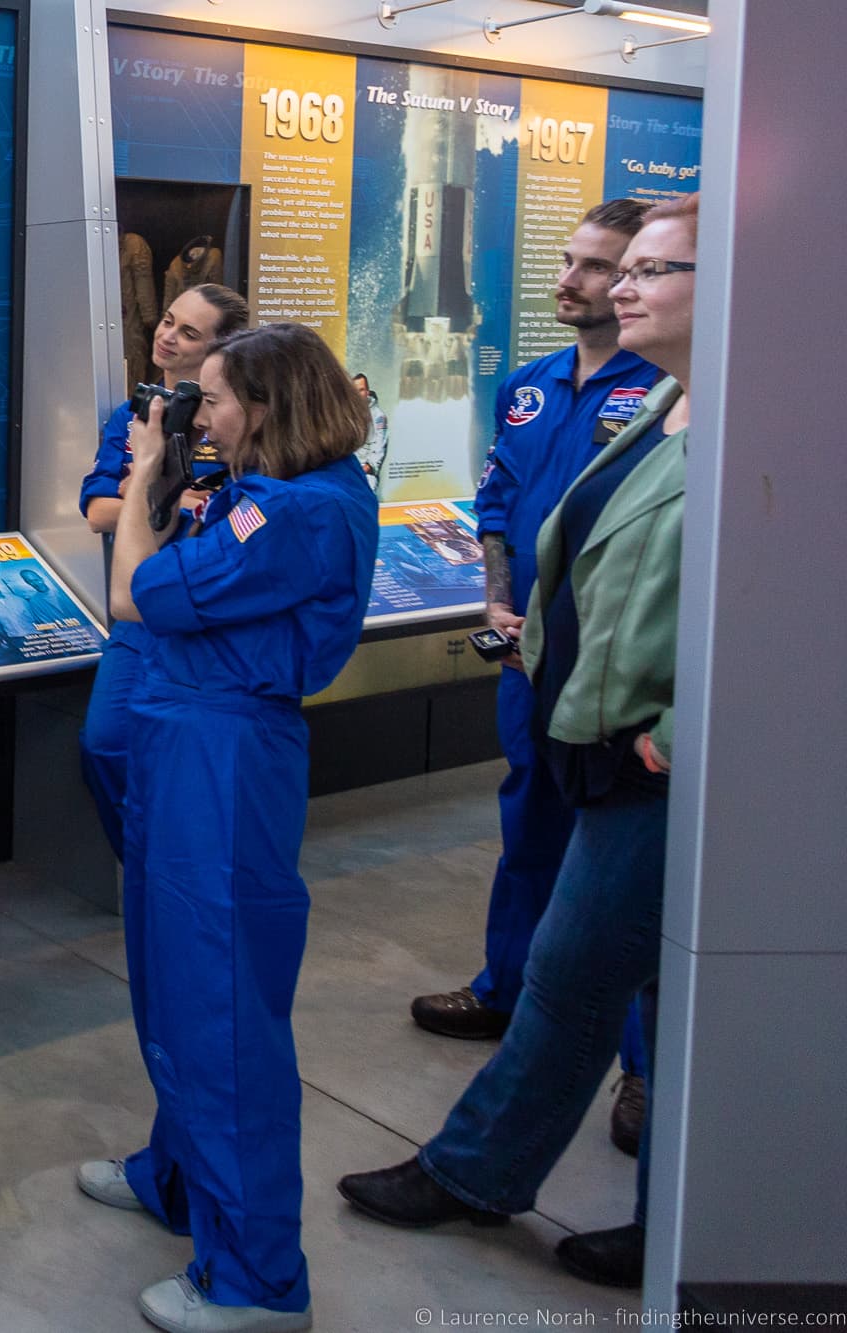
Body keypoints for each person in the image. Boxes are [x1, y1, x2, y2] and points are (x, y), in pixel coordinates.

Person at [338, 194, 698, 1291]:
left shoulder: (772, 417)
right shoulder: (669, 407)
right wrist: (527, 636)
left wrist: (680, 732)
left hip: (662, 756)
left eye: (647, 268)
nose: (617, 285)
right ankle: (515, 1175)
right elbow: (543, 528)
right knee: (571, 962)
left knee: (600, 972)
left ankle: (670, 1213)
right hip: (579, 713)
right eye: (610, 266)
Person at [96, 323, 376, 1333]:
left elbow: (133, 593)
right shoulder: (273, 494)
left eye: (209, 398)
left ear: (261, 406)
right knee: (172, 981)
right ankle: (174, 1178)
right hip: (182, 739)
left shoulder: (296, 512)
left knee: (216, 1003)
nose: (194, 414)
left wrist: (137, 481)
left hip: (221, 760)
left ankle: (257, 1279)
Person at [407, 199, 664, 1154]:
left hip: (619, 665)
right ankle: (505, 988)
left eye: (599, 267)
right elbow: (499, 504)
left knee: (624, 869)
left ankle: (642, 1069)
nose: (574, 279)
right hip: (531, 657)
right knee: (530, 828)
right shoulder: (532, 384)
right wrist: (496, 602)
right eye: (571, 260)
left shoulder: (669, 397)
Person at [78, 283, 249, 861]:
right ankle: (149, 863)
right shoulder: (134, 417)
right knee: (104, 745)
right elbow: (97, 511)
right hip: (140, 612)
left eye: (188, 332)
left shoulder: (239, 424)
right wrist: (166, 492)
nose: (167, 335)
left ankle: (183, 868)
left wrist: (150, 493)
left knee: (191, 758)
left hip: (211, 615)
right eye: (168, 320)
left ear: (222, 350)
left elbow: (245, 517)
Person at [350, 374, 386, 491]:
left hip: (366, 473)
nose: (358, 394)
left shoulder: (378, 416)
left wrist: (363, 470)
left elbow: (379, 449)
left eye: (361, 390)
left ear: (367, 392)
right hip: (348, 469)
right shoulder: (348, 414)